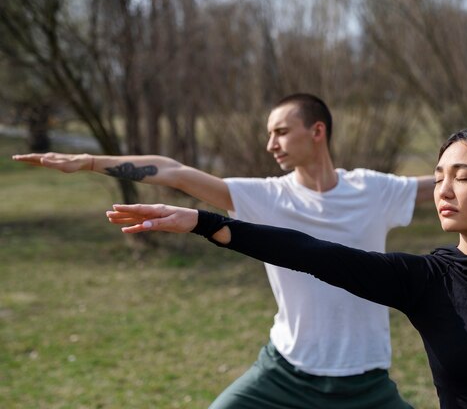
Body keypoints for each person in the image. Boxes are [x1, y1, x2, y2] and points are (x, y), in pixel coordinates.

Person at [106, 127, 467, 409]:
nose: (443, 190)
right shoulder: (426, 281)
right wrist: (203, 221)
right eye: (439, 175)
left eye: (462, 177)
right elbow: (310, 252)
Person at [14, 93, 435, 409]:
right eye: (269, 134)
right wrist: (89, 162)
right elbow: (176, 172)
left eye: (281, 131)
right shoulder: (264, 196)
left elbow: (446, 186)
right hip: (285, 372)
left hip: (365, 382)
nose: (271, 143)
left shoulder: (373, 189)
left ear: (317, 131)